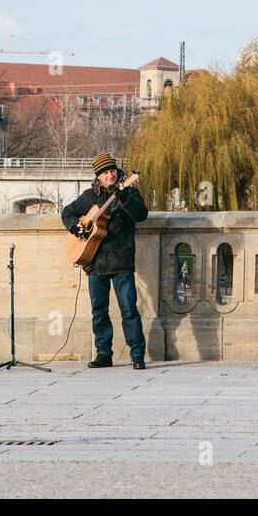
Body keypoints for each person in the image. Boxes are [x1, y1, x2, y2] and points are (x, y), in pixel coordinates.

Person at [61, 152, 149, 370]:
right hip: (94, 259)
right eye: (106, 172)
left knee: (128, 309)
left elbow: (141, 214)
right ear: (98, 176)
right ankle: (103, 354)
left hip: (121, 260)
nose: (111, 174)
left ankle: (137, 354)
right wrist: (75, 226)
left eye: (113, 171)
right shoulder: (90, 196)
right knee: (99, 310)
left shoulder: (128, 190)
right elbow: (68, 211)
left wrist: (125, 198)